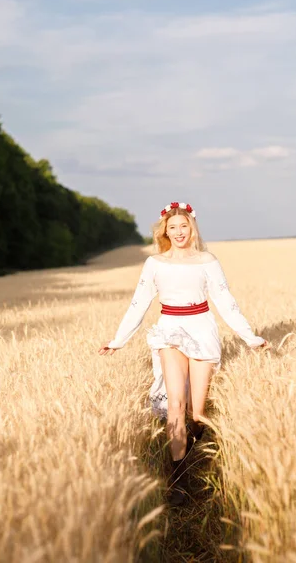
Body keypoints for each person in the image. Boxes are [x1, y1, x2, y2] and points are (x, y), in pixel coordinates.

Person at [98, 201, 268, 506]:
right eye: (172, 227)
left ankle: (194, 454)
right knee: (175, 406)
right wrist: (117, 340)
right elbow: (138, 303)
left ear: (192, 228)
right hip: (170, 329)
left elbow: (225, 301)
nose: (178, 232)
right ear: (165, 230)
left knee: (197, 413)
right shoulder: (155, 264)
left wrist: (250, 337)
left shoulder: (207, 260)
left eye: (184, 226)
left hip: (201, 328)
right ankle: (178, 479)